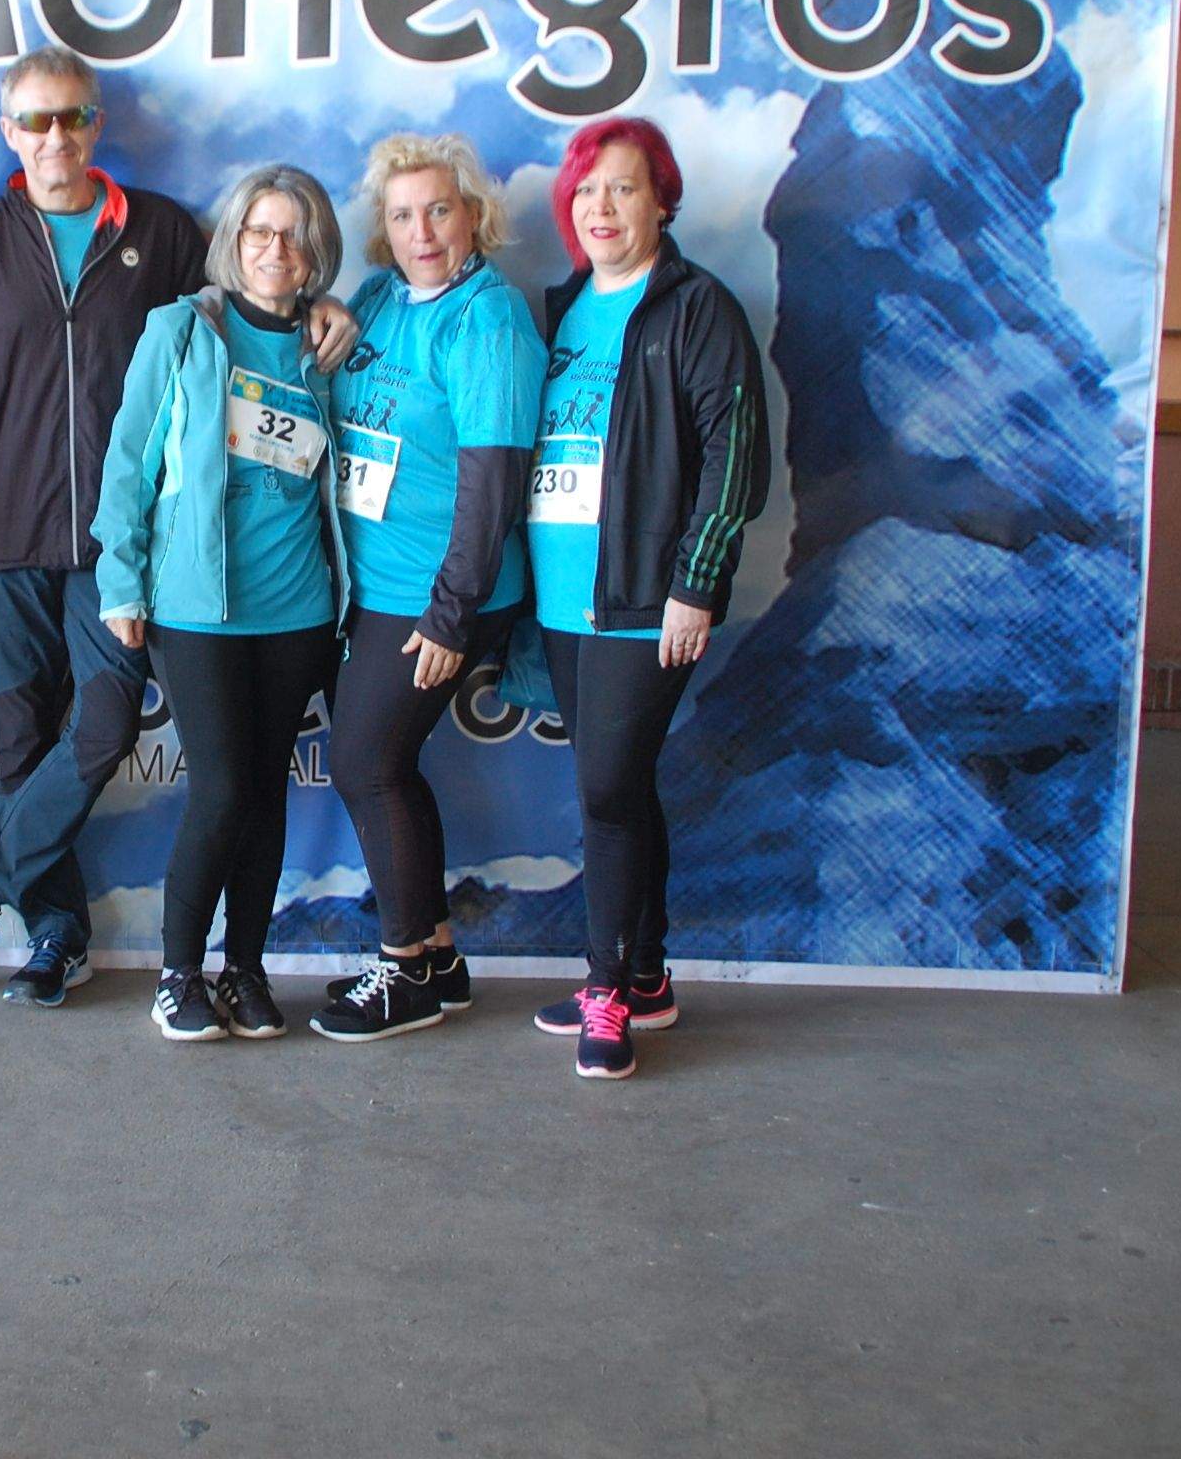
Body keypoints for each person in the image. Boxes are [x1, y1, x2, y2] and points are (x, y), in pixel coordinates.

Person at [0, 48, 213, 1007]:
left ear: (98, 125)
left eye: (72, 118)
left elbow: (233, 325)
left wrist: (318, 310)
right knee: (24, 740)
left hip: (121, 542)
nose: (55, 138)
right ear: (9, 132)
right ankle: (55, 935)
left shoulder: (161, 231)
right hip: (0, 534)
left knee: (109, 718)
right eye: (35, 121)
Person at [520, 117, 770, 1081]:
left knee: (605, 791)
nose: (602, 209)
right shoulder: (565, 308)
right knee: (618, 788)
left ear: (661, 199)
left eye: (622, 189)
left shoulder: (697, 309)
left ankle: (605, 988)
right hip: (565, 601)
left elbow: (732, 458)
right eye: (586, 192)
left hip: (644, 597)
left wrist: (695, 585)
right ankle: (650, 975)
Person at [93, 164, 347, 1042]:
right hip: (197, 611)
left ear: (317, 251)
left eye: (294, 234)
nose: (275, 250)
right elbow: (127, 461)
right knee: (223, 790)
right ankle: (177, 974)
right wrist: (119, 579)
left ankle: (244, 971)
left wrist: (343, 318)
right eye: (259, 232)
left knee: (266, 796)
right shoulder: (182, 329)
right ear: (234, 242)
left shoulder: (327, 348)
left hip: (298, 610)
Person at [311, 134, 541, 1042]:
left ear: (473, 214)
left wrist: (451, 613)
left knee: (365, 763)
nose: (422, 231)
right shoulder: (377, 299)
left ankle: (403, 968)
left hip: (443, 597)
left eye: (439, 210)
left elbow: (494, 482)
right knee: (384, 765)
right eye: (402, 215)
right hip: (370, 590)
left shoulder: (489, 320)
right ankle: (438, 956)